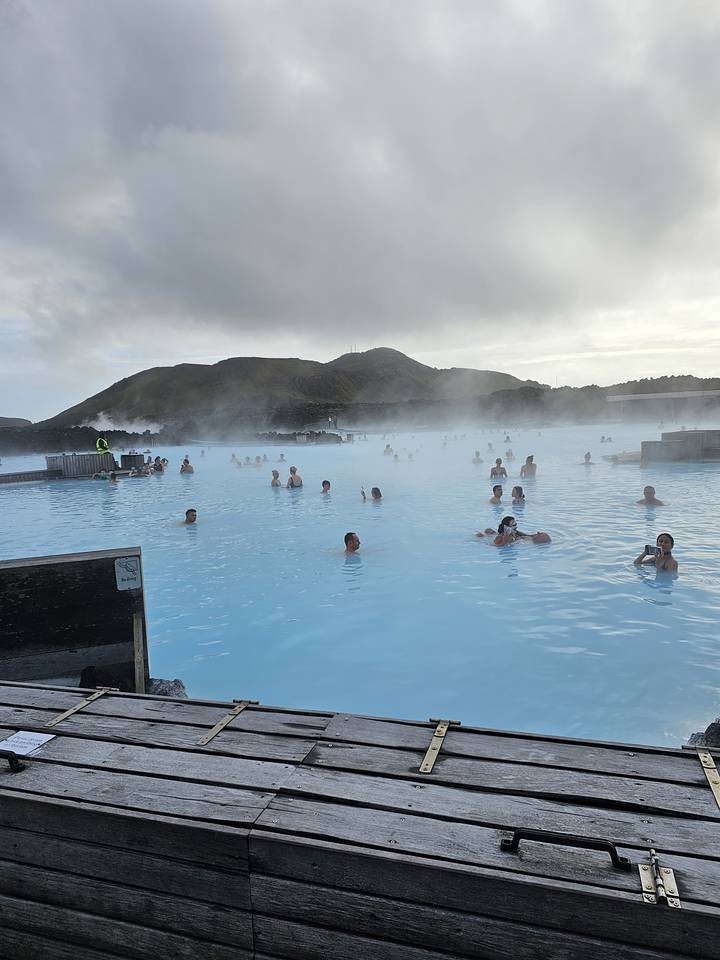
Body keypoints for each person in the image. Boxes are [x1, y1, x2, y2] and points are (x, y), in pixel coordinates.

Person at [477, 516, 550, 545]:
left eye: (516, 524)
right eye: (513, 524)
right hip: (495, 539)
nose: (515, 526)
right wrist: (504, 541)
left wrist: (537, 535)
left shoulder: (515, 532)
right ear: (507, 527)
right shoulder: (502, 537)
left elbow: (527, 535)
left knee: (488, 530)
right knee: (486, 531)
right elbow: (495, 546)